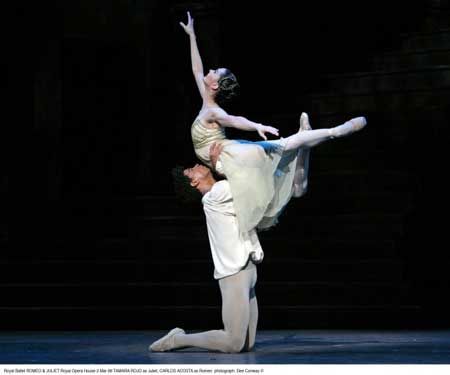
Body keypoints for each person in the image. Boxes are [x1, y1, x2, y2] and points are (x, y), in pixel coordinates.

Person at [179, 11, 367, 234]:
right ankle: (309, 138)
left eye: (214, 72)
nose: (209, 71)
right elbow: (196, 69)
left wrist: (256, 126)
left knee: (284, 148)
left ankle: (335, 131)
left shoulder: (212, 111)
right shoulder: (205, 98)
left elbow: (234, 119)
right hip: (223, 159)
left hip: (229, 156)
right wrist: (191, 35)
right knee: (295, 185)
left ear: (215, 86)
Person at [149, 142, 310, 353]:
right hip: (234, 275)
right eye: (192, 169)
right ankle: (177, 340)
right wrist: (218, 164)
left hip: (248, 269)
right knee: (234, 343)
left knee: (247, 344)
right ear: (194, 182)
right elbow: (243, 182)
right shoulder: (214, 196)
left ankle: (302, 151)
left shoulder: (221, 193)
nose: (197, 165)